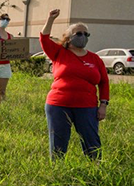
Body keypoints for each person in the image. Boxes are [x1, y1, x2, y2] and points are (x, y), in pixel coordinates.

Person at [40, 9, 109, 160]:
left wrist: (103, 105)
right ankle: (57, 172)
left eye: (86, 34)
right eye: (79, 34)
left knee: (91, 141)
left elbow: (104, 82)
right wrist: (50, 19)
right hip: (58, 105)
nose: (83, 37)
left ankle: (95, 171)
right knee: (58, 141)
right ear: (69, 38)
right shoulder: (59, 53)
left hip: (87, 106)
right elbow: (44, 39)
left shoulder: (95, 59)